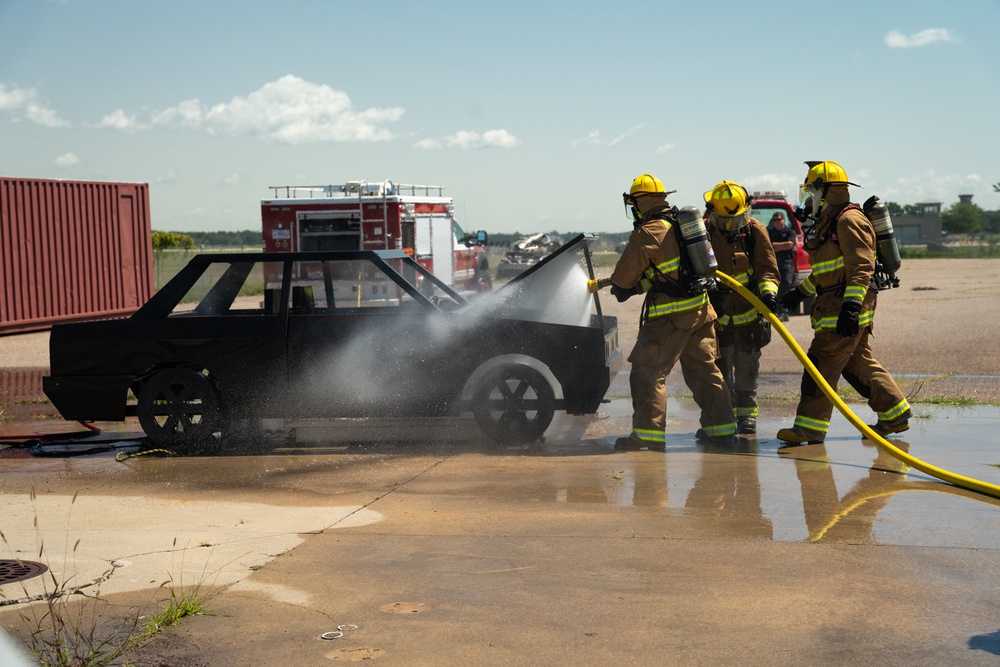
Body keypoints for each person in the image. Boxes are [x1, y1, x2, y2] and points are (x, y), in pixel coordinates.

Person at [777, 161, 911, 445]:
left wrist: (850, 308)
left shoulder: (849, 221)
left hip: (845, 308)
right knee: (856, 361)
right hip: (836, 306)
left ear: (825, 191)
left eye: (811, 191)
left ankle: (809, 429)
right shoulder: (831, 221)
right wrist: (800, 293)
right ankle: (894, 413)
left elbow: (860, 268)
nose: (807, 199)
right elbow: (829, 271)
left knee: (820, 366)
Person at [608, 173, 736, 451]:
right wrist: (636, 287)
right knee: (704, 371)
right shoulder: (681, 223)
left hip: (669, 318)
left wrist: (623, 287)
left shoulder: (649, 231)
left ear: (640, 201)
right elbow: (672, 273)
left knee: (647, 372)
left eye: (634, 203)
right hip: (701, 311)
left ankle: (647, 435)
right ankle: (722, 429)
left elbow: (622, 276)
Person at [704, 180, 780, 436]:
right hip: (718, 317)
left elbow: (767, 268)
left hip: (749, 316)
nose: (728, 227)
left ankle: (747, 416)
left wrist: (769, 294)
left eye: (734, 220)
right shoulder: (704, 232)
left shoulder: (755, 231)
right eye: (723, 220)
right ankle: (722, 420)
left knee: (747, 368)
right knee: (719, 370)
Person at [767, 211, 797, 321]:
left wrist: (774, 245)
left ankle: (784, 311)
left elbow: (789, 245)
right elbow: (767, 246)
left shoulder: (790, 232)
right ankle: (775, 311)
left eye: (779, 219)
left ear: (783, 220)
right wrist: (781, 246)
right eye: (775, 220)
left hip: (787, 262)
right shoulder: (769, 233)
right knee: (772, 286)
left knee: (786, 283)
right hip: (773, 262)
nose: (777, 222)